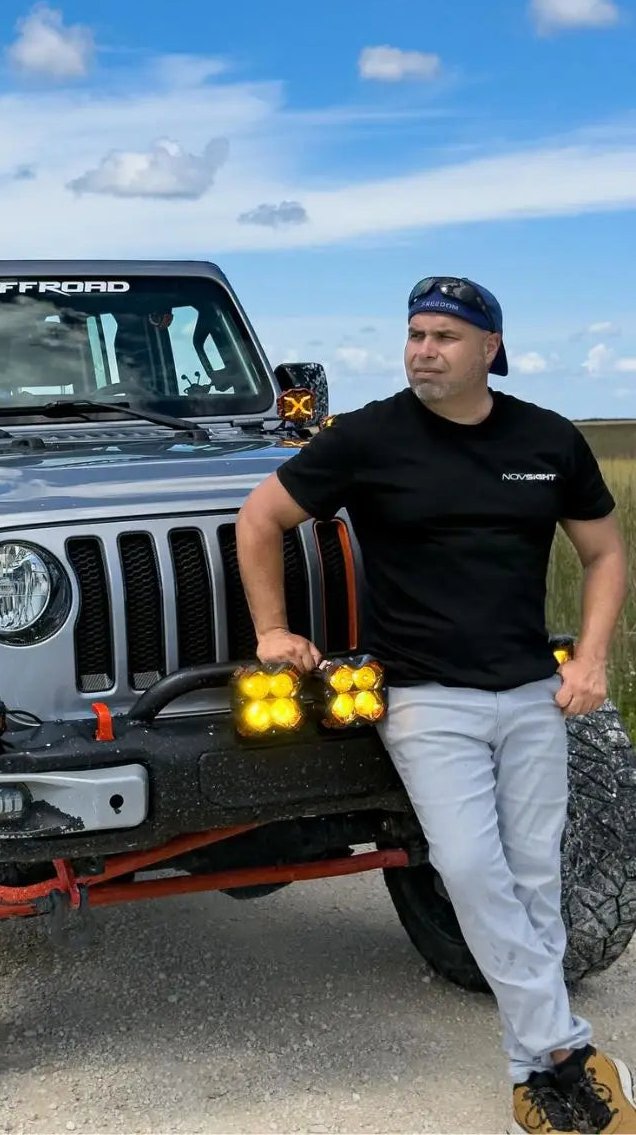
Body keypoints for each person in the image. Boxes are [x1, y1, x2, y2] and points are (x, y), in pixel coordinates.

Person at [234, 275, 632, 1134]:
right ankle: (566, 1048)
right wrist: (272, 631)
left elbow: (604, 553)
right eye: (415, 334)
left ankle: (535, 1075)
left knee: (534, 878)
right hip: (423, 698)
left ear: (491, 348)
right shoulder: (369, 438)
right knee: (470, 867)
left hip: (533, 693)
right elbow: (260, 519)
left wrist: (592, 659)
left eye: (445, 336)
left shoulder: (549, 440)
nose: (423, 350)